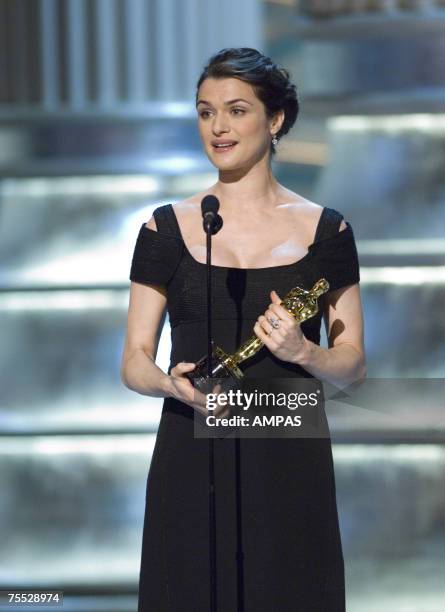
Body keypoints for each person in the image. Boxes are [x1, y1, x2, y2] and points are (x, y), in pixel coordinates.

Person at [121, 47, 365, 612]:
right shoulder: (166, 229)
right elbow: (134, 359)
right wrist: (168, 383)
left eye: (236, 110)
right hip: (194, 451)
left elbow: (352, 361)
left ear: (275, 119)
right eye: (206, 112)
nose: (219, 127)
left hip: (288, 454)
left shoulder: (327, 231)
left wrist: (305, 350)